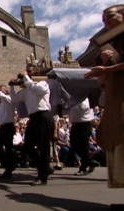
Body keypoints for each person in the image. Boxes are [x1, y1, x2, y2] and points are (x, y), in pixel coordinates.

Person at [85, 4, 124, 209]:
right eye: (103, 20)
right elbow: (104, 83)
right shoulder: (110, 44)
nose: (106, 22)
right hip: (116, 100)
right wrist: (103, 71)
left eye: (110, 17)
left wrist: (109, 67)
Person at [10, 71, 54, 186]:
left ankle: (42, 177)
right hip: (33, 118)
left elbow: (36, 89)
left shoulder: (42, 83)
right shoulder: (26, 90)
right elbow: (14, 98)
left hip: (43, 115)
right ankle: (45, 167)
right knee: (28, 146)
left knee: (43, 147)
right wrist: (11, 86)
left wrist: (25, 77)